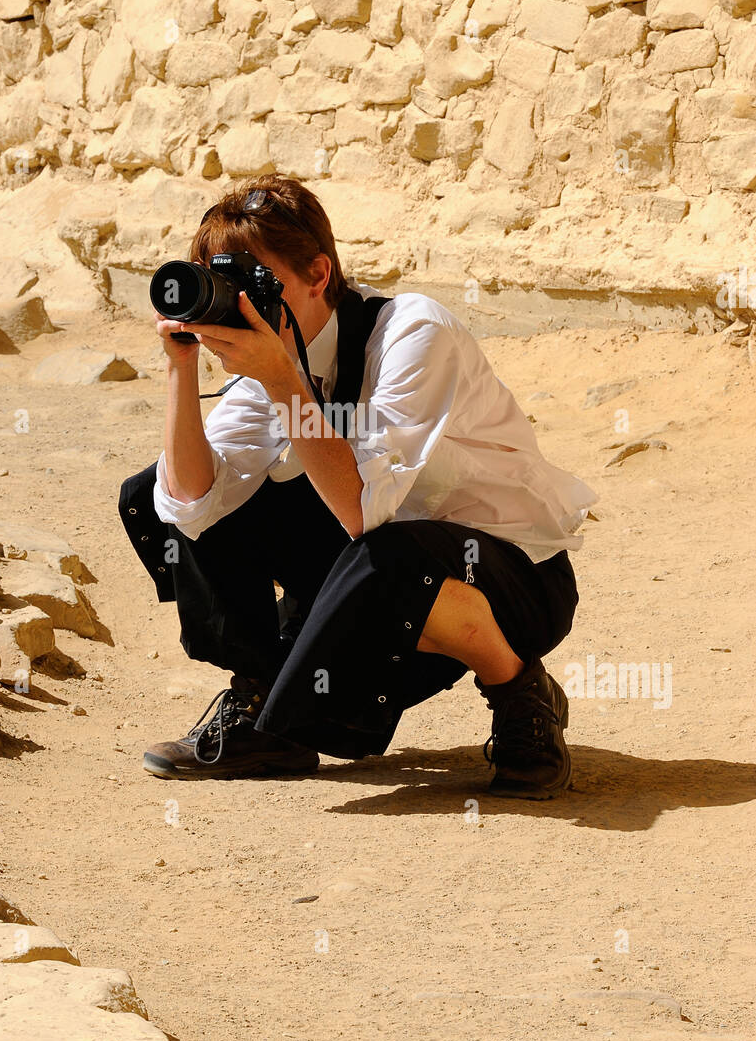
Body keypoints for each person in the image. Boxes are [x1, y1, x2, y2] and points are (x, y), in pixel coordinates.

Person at [118, 174, 598, 799]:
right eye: (227, 289)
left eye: (258, 287)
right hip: (375, 582)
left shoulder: (413, 334)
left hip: (508, 578)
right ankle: (265, 709)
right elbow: (191, 502)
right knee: (152, 498)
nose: (243, 307)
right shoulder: (278, 352)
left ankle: (518, 693)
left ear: (318, 275)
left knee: (393, 551)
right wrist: (182, 369)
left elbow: (364, 511)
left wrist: (283, 380)